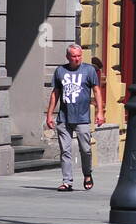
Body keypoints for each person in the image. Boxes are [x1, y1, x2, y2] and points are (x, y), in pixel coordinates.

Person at [45, 44, 104, 192]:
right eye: (74, 56)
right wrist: (49, 114)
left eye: (79, 56)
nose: (77, 59)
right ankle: (67, 181)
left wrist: (100, 112)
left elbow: (96, 91)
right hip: (64, 118)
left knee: (86, 149)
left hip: (83, 118)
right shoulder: (60, 71)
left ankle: (87, 174)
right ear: (68, 57)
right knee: (65, 150)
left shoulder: (89, 70)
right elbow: (55, 93)